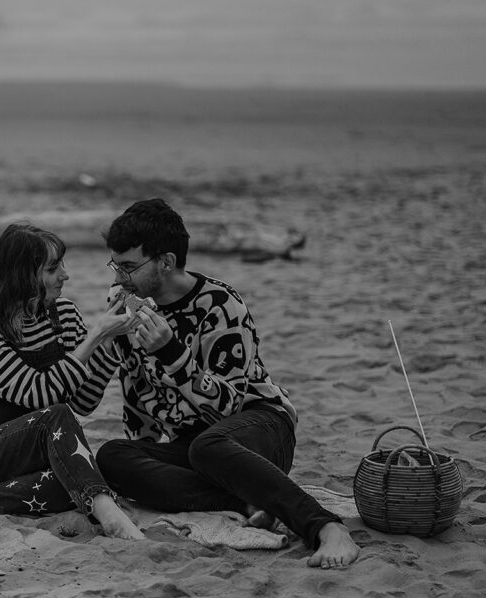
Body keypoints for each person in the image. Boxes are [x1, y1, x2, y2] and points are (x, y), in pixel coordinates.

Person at [94, 198, 360, 567]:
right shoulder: (130, 303)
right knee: (113, 456)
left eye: (128, 266)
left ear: (166, 262)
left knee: (208, 446)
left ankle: (327, 528)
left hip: (259, 427)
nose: (118, 277)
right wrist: (145, 462)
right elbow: (136, 393)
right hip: (195, 446)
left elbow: (229, 405)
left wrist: (171, 352)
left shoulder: (219, 304)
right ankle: (248, 501)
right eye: (114, 265)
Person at [0, 223, 145, 540]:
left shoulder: (63, 314)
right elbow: (38, 394)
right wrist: (95, 335)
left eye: (61, 265)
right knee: (55, 417)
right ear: (22, 275)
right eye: (53, 268)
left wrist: (108, 344)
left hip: (38, 452)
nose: (64, 275)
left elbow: (84, 401)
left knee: (85, 478)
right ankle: (113, 520)